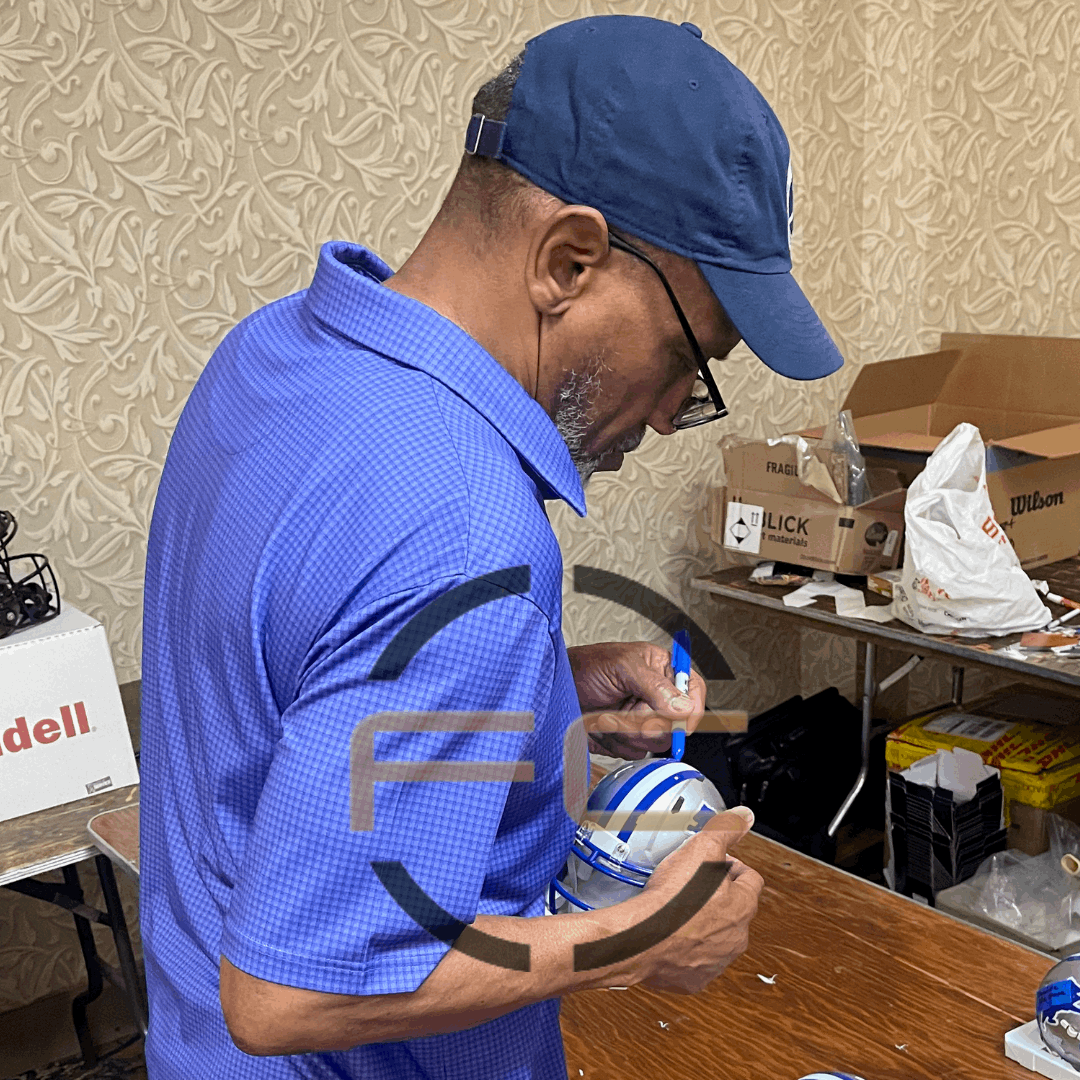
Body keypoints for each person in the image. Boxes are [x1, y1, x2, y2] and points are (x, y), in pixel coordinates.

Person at [140, 14, 842, 1080]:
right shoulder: (464, 529)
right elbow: (290, 993)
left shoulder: (272, 355)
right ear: (570, 259)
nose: (666, 416)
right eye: (687, 357)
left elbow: (296, 678)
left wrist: (543, 685)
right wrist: (643, 936)